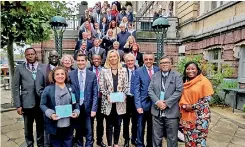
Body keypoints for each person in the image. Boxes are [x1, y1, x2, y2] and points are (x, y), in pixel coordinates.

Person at [148, 56, 183, 147]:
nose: (164, 64)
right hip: (157, 112)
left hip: (171, 112)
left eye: (167, 62)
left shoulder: (177, 76)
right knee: (156, 137)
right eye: (162, 63)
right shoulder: (155, 75)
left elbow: (179, 91)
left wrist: (166, 103)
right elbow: (150, 90)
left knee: (172, 138)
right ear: (160, 65)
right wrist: (157, 102)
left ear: (170, 64)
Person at [40, 66, 79, 147]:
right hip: (55, 124)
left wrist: (76, 112)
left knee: (68, 143)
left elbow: (76, 103)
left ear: (65, 75)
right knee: (56, 144)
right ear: (53, 76)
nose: (60, 76)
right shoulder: (48, 89)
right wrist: (51, 114)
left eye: (62, 74)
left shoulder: (71, 88)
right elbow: (42, 104)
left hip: (68, 123)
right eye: (57, 74)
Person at [13, 48, 44, 147]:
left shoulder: (43, 67)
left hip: (41, 104)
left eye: (32, 54)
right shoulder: (20, 68)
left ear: (36, 55)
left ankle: (40, 145)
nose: (30, 56)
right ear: (25, 56)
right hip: (26, 104)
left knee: (41, 128)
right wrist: (18, 105)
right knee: (28, 129)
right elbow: (16, 87)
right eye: (28, 54)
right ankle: (29, 144)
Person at [179, 61, 214, 147]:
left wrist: (192, 107)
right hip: (187, 116)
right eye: (188, 69)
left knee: (199, 141)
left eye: (193, 69)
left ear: (197, 70)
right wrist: (184, 106)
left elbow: (207, 99)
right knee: (188, 140)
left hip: (200, 116)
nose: (190, 71)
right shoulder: (184, 81)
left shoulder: (204, 81)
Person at [99, 50, 128, 147]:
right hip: (108, 102)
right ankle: (110, 144)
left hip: (120, 102)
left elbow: (126, 86)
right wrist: (107, 95)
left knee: (118, 124)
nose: (113, 58)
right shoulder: (104, 71)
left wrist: (124, 94)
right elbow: (101, 87)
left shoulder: (124, 70)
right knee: (109, 125)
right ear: (108, 58)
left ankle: (116, 143)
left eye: (114, 56)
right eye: (110, 57)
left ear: (118, 57)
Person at [69, 53, 98, 147]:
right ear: (76, 62)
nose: (80, 62)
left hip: (88, 107)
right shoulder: (71, 74)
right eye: (79, 60)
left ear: (86, 62)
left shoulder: (92, 75)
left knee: (89, 130)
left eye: (82, 60)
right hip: (76, 106)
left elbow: (95, 94)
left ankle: (89, 145)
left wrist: (94, 109)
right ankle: (79, 144)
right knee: (78, 130)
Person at [134, 53, 159, 147]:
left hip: (155, 104)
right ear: (143, 60)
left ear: (153, 60)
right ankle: (140, 144)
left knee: (152, 127)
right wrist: (138, 106)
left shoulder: (158, 70)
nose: (148, 61)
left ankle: (150, 144)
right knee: (140, 126)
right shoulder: (138, 71)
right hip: (142, 104)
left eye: (150, 59)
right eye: (146, 59)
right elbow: (136, 90)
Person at [36, 50, 60, 147]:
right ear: (48, 58)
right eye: (52, 56)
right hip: (48, 105)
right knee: (47, 130)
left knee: (59, 129)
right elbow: (39, 89)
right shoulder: (41, 70)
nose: (54, 58)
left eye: (56, 56)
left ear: (59, 58)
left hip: (61, 106)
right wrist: (49, 99)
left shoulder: (62, 70)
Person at [88, 55, 106, 147]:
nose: (96, 60)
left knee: (100, 122)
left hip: (102, 99)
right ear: (92, 60)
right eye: (94, 59)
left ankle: (100, 140)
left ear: (101, 60)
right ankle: (90, 140)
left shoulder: (105, 70)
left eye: (98, 59)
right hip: (91, 100)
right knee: (90, 122)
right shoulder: (88, 70)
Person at [123, 53, 138, 147]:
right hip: (126, 99)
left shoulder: (139, 71)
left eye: (132, 60)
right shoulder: (122, 71)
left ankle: (134, 139)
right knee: (126, 121)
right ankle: (126, 139)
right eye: (128, 61)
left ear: (135, 61)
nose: (130, 62)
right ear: (125, 62)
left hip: (136, 99)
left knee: (135, 121)